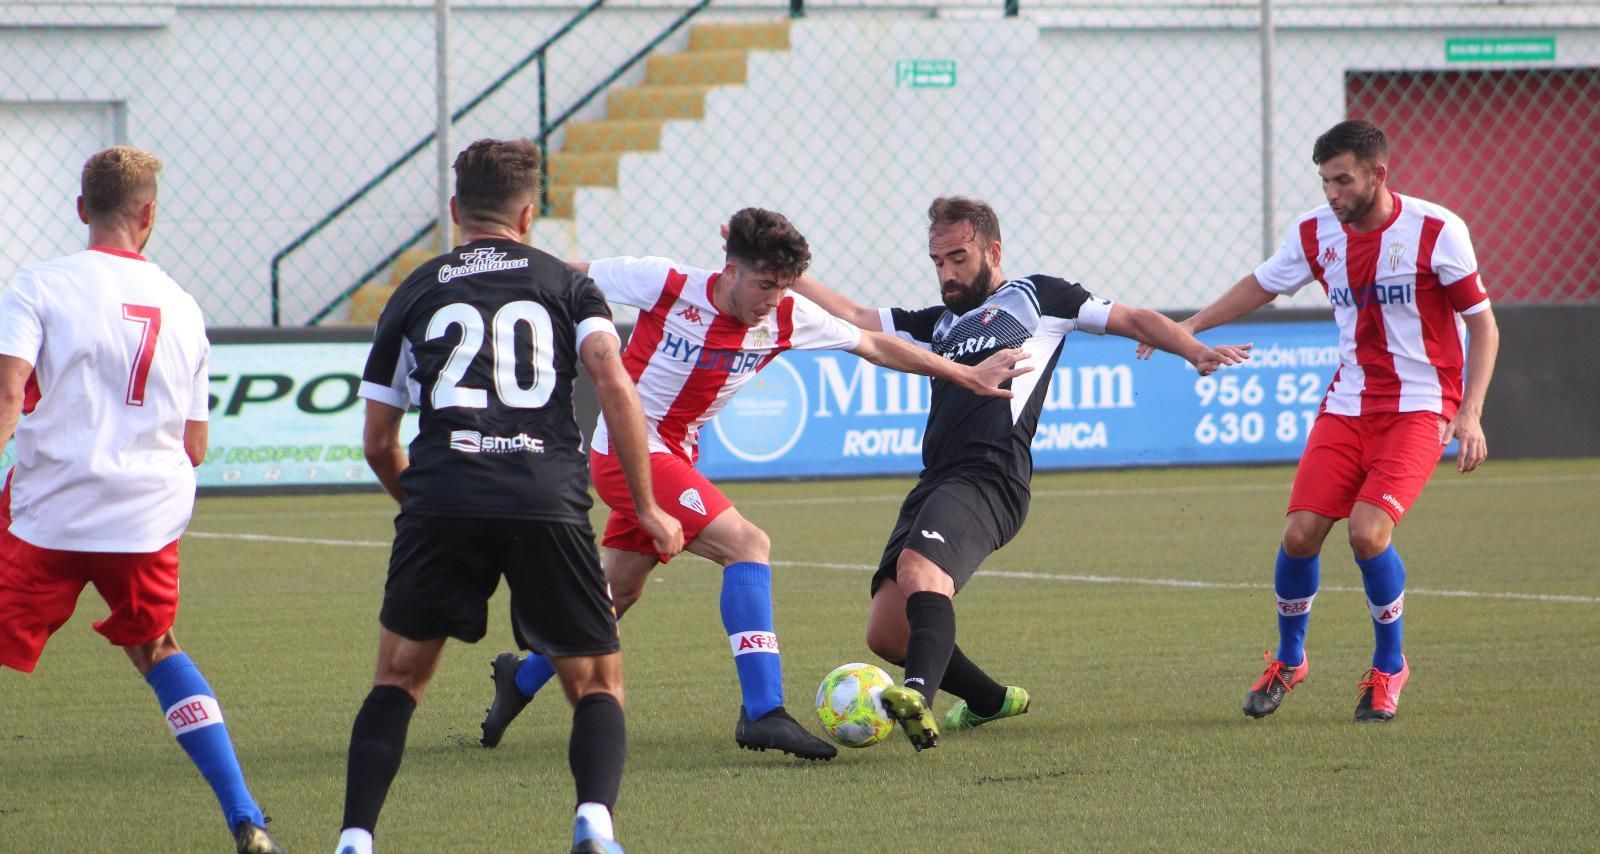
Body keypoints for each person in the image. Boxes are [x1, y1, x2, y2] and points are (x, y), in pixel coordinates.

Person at [479, 207, 1029, 761]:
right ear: (731, 270)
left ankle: (521, 678)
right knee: (748, 544)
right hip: (627, 451)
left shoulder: (786, 315)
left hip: (678, 456)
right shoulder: (663, 282)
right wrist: (479, 271)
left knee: (616, 592)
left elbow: (876, 346)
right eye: (765, 285)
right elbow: (560, 273)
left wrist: (965, 374)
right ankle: (762, 711)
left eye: (783, 287)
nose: (773, 300)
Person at [319, 138, 684, 854]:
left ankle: (354, 846)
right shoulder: (566, 285)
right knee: (596, 685)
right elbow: (614, 384)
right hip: (546, 499)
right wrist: (647, 506)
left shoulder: (414, 290)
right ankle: (595, 825)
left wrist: (417, 502)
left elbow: (378, 442)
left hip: (442, 496)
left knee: (397, 681)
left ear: (456, 212)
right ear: (529, 212)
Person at [795, 196, 1250, 750]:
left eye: (958, 258)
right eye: (938, 262)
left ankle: (916, 694)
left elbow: (1133, 318)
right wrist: (786, 274)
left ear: (993, 250)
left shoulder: (1039, 297)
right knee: (887, 633)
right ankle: (989, 700)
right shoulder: (939, 323)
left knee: (920, 571)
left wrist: (1192, 350)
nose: (947, 273)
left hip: (992, 474)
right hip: (936, 479)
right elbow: (860, 318)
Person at [1137, 119, 1498, 723]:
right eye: (1325, 180)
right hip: (1347, 404)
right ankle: (1290, 659)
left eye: (1342, 180)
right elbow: (1262, 284)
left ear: (1378, 174)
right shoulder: (1315, 231)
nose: (1331, 193)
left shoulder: (1437, 230)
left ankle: (1389, 667)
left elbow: (1483, 323)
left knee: (1366, 533)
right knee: (1301, 533)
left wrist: (1471, 412)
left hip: (1418, 406)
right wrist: (1191, 328)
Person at [0, 147, 288, 854]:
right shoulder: (185, 309)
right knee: (158, 649)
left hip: (47, 516)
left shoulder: (36, 286)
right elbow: (194, 445)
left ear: (80, 210)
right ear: (149, 215)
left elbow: (8, 397)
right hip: (145, 521)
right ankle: (246, 817)